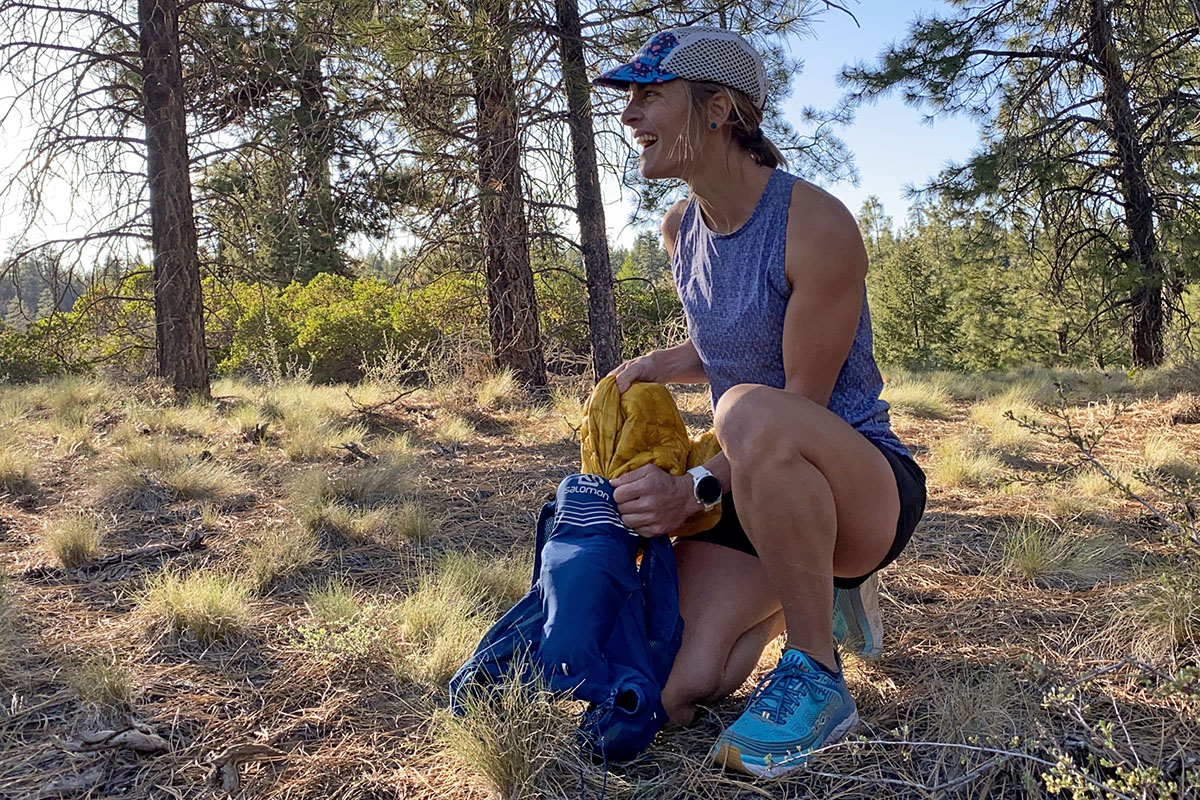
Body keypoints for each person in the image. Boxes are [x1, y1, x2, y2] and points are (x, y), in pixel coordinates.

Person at [591, 26, 927, 778]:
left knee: (747, 413)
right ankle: (791, 591)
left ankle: (817, 666)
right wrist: (653, 366)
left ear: (717, 109)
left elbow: (792, 400)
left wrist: (691, 492)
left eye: (651, 94)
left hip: (859, 483)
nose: (629, 114)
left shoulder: (815, 224)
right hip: (754, 476)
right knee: (670, 690)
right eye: (629, 96)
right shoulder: (681, 228)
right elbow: (730, 345)